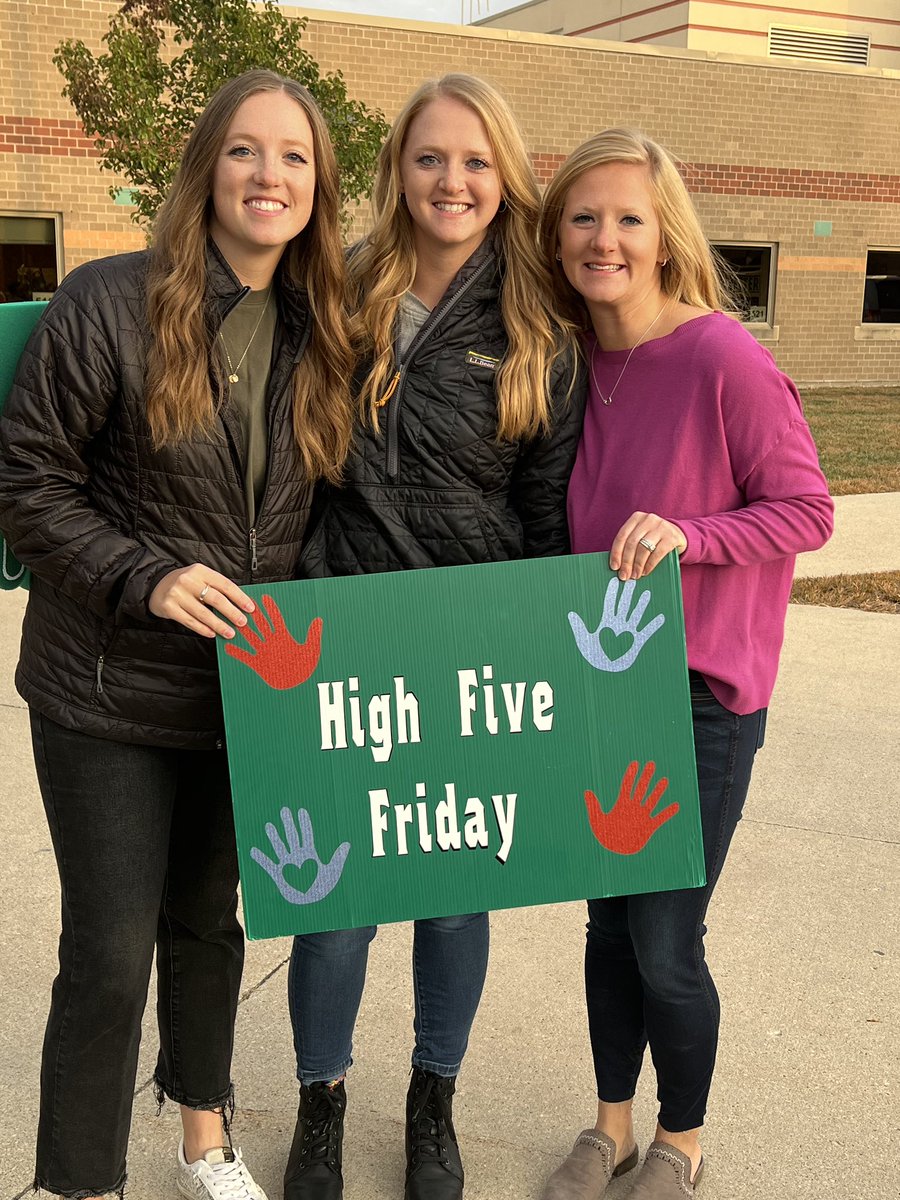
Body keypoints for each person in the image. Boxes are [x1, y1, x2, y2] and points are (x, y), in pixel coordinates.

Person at [0, 69, 352, 1200]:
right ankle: (79, 1181)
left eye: (294, 156)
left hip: (244, 695)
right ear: (208, 169)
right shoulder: (108, 302)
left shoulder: (326, 332)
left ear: (318, 185)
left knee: (209, 923)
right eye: (247, 151)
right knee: (107, 953)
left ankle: (206, 1136)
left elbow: (332, 510)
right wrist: (146, 579)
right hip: (104, 687)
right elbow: (29, 485)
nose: (270, 174)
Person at [284, 73, 584, 1200]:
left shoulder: (539, 321)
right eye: (428, 158)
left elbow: (550, 506)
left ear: (503, 172)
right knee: (337, 903)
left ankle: (433, 1101)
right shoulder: (343, 289)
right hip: (345, 631)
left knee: (457, 895)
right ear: (396, 172)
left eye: (473, 160)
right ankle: (322, 1102)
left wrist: (548, 656)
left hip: (475, 643)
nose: (451, 181)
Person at [536, 128, 833, 1200]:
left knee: (666, 936)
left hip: (701, 695)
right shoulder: (573, 361)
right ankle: (610, 1124)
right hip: (602, 683)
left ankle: (683, 1139)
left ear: (666, 237)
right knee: (606, 923)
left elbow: (807, 509)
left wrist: (689, 534)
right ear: (556, 235)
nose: (604, 238)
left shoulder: (723, 357)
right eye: (583, 217)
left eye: (627, 218)